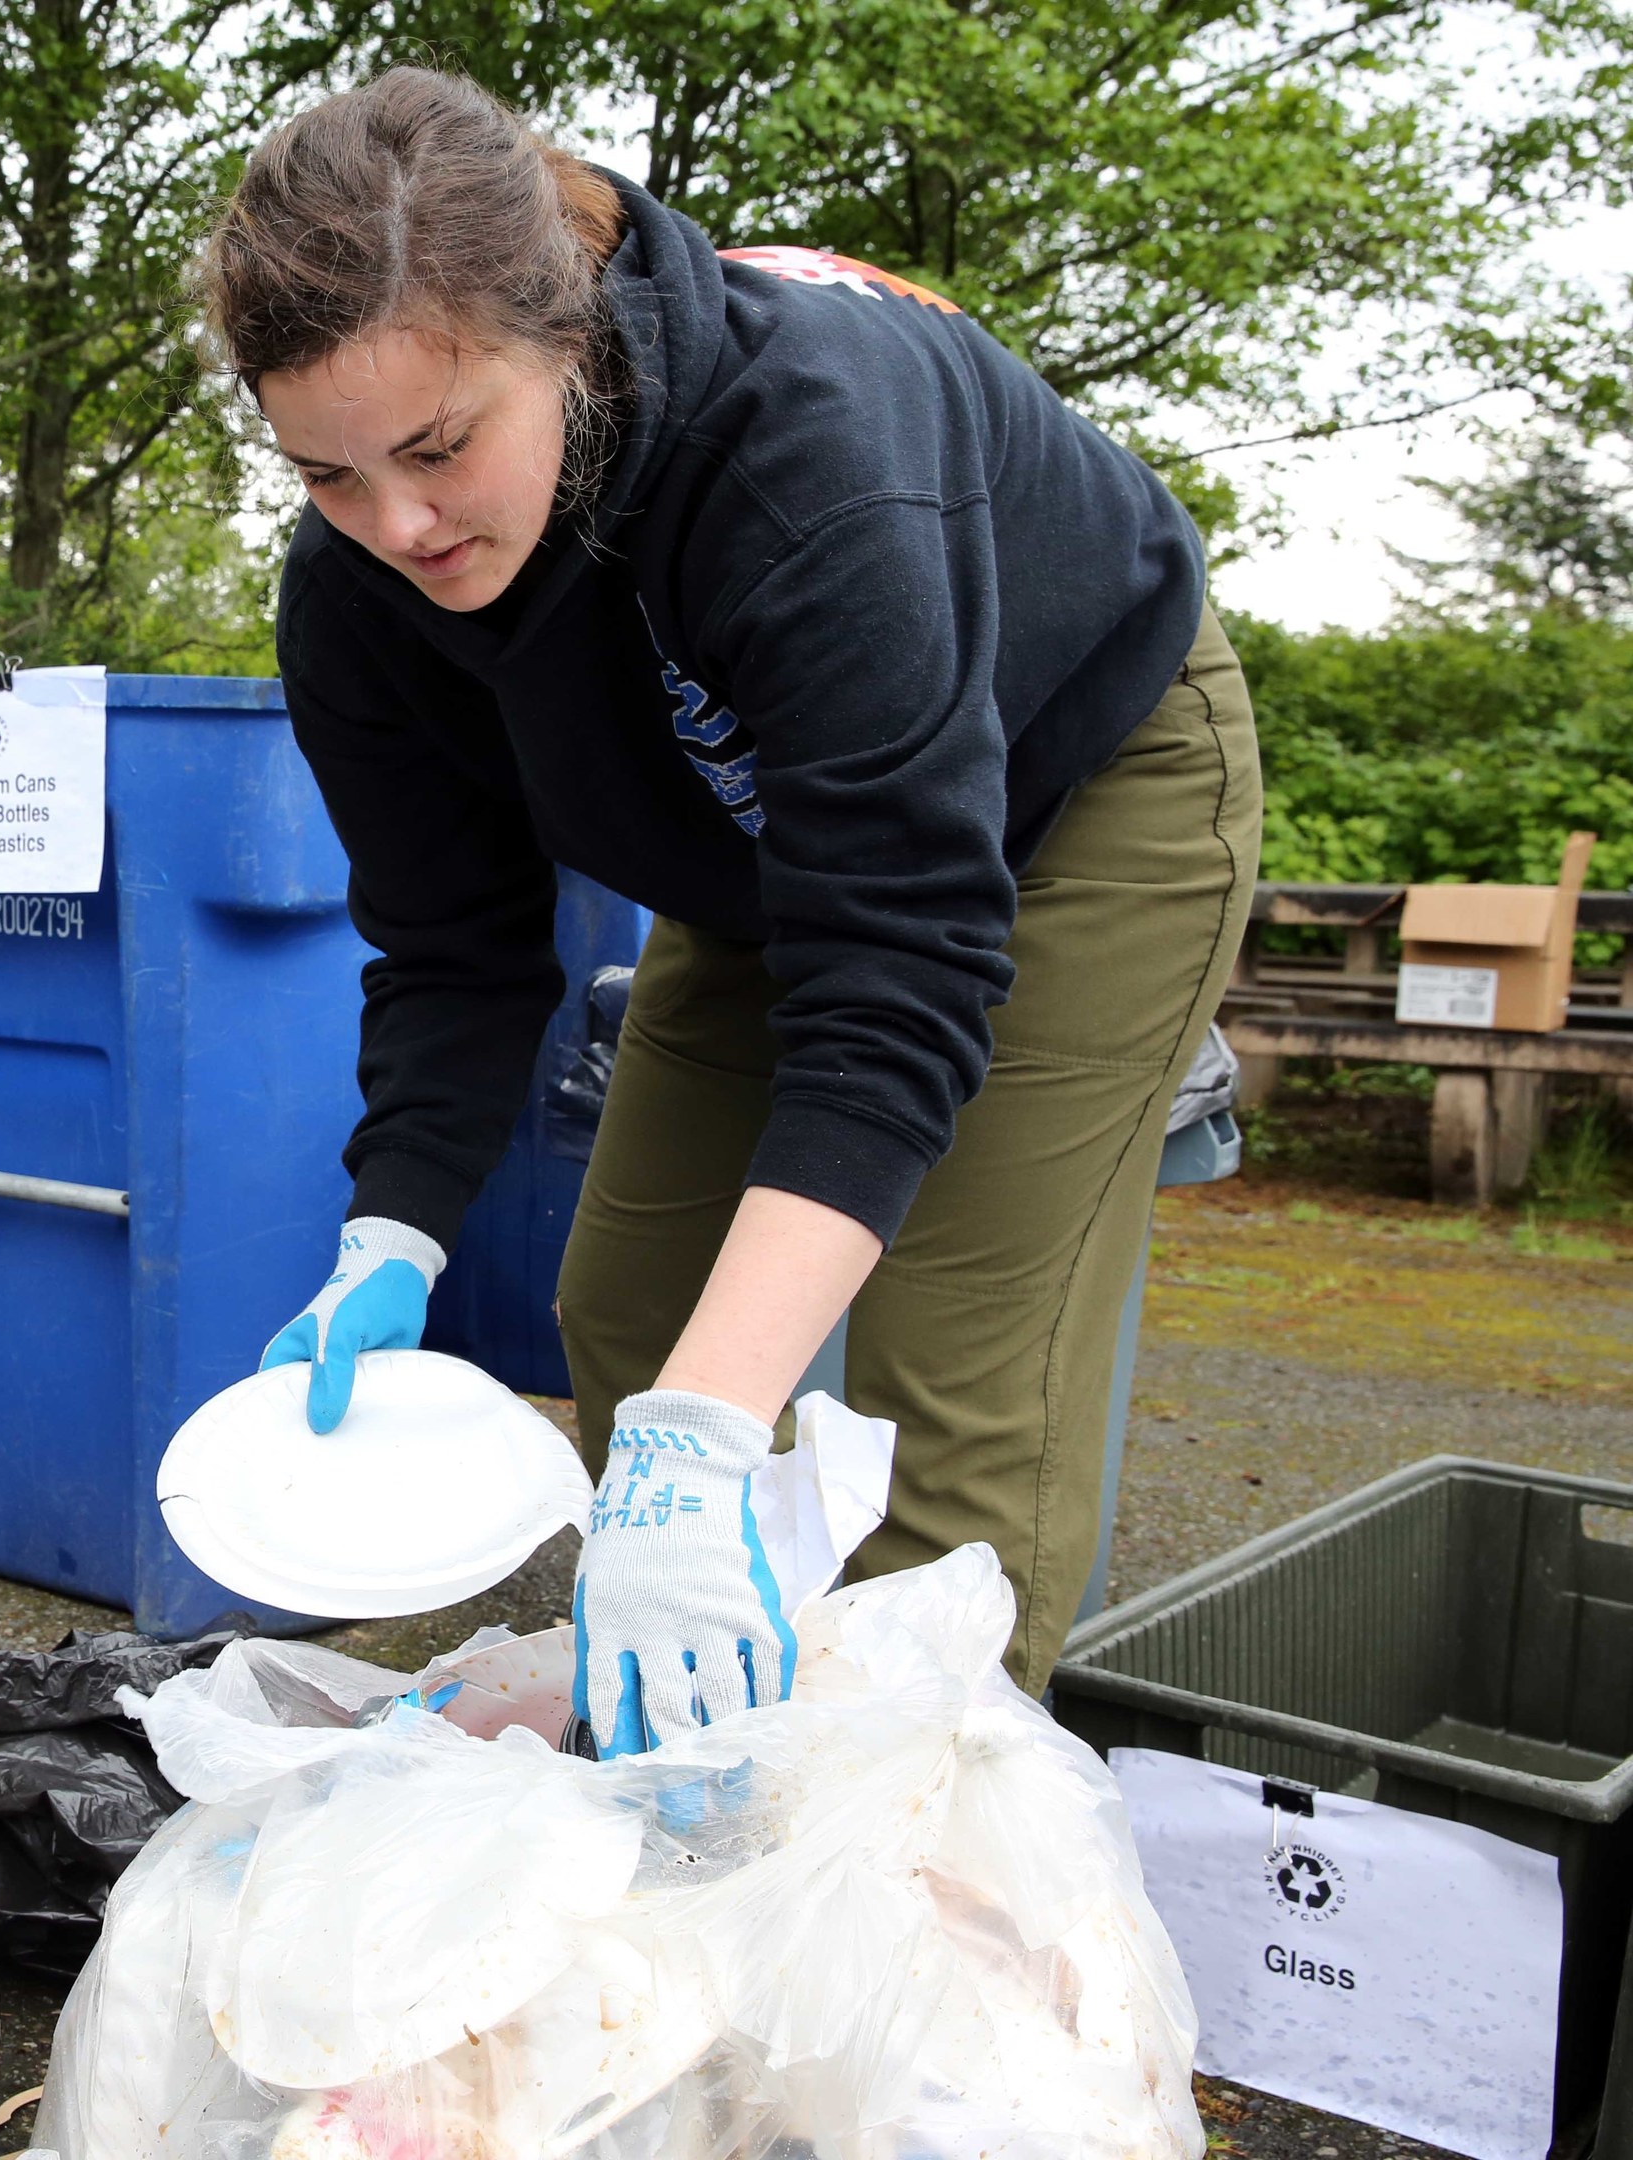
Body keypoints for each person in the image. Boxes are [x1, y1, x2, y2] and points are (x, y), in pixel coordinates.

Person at [225, 71, 1259, 1750]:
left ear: (565, 341)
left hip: (1076, 789)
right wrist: (391, 1232)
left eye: (437, 448)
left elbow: (902, 966)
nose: (397, 525)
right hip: (757, 854)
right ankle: (711, 1733)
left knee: (952, 1372)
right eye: (329, 473)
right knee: (632, 1307)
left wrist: (706, 1432)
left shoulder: (804, 461)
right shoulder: (359, 591)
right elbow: (457, 938)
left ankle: (926, 1868)